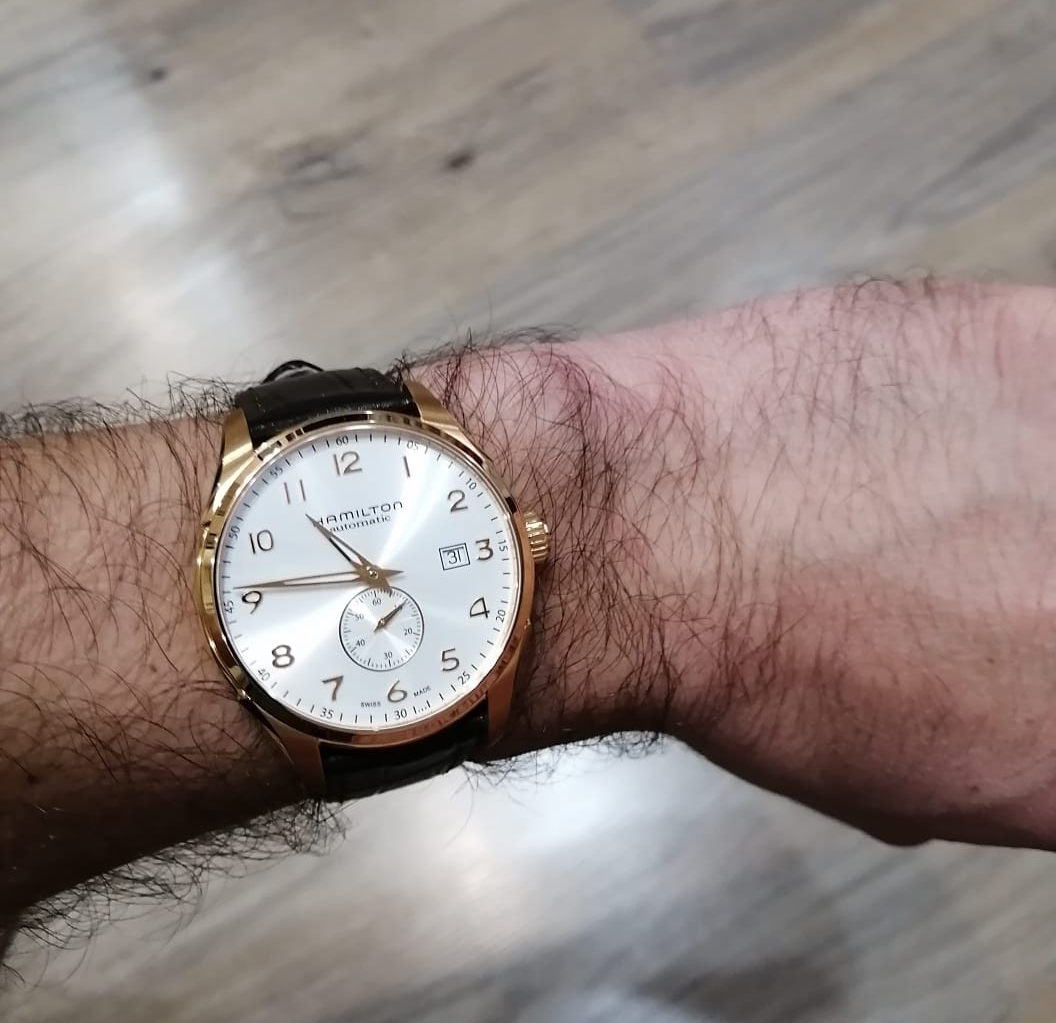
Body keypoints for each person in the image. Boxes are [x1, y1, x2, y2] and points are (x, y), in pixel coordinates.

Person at [5, 278, 1056, 932]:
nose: (375, 578)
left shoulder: (477, 532)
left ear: (526, 533)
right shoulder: (246, 560)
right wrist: (644, 484)